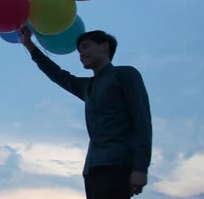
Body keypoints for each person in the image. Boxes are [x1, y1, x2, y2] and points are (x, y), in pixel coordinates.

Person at [19, 26, 152, 199]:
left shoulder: (125, 74)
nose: (81, 54)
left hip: (118, 164)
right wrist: (29, 45)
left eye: (86, 47)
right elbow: (58, 74)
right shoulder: (87, 86)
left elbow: (142, 120)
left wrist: (141, 167)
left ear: (105, 47)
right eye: (79, 50)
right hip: (92, 169)